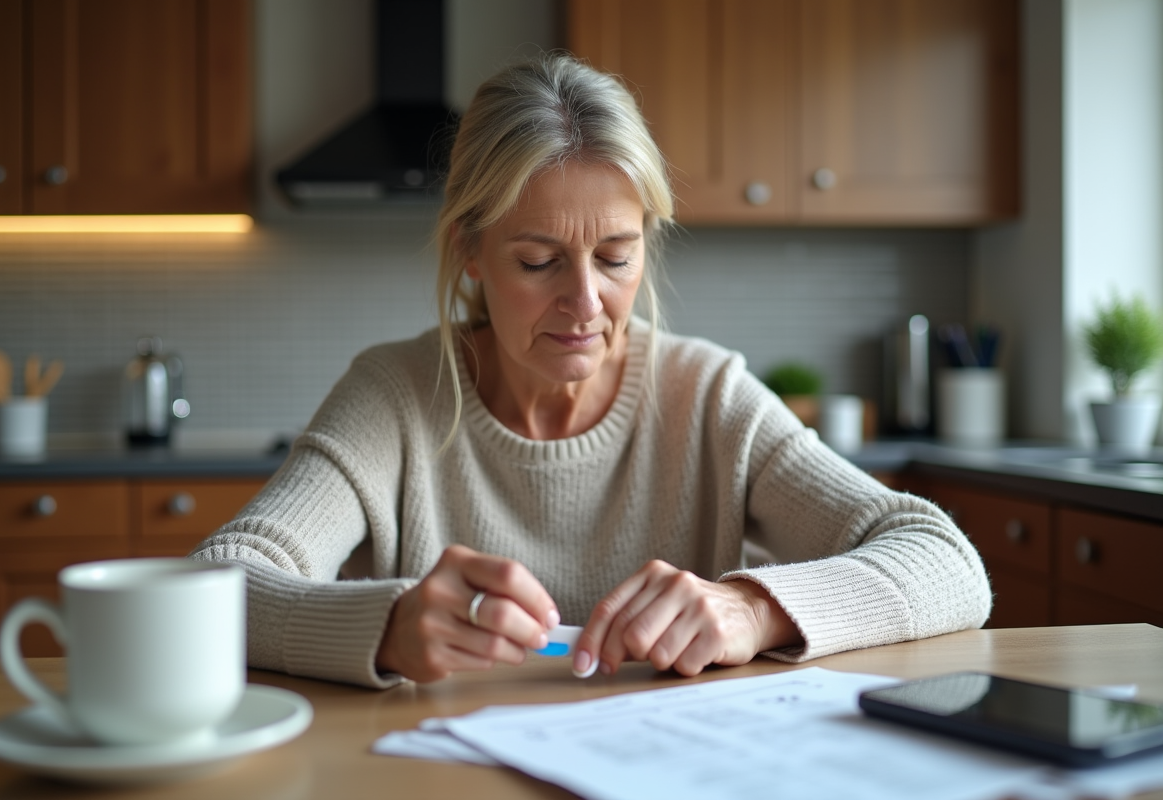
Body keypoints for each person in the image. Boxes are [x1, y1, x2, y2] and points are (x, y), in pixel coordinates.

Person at [190, 54, 990, 689]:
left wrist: (751, 608)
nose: (586, 303)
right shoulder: (395, 394)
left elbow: (945, 559)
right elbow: (217, 584)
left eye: (616, 257)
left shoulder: (707, 396)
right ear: (470, 251)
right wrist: (389, 626)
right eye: (538, 261)